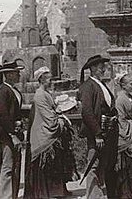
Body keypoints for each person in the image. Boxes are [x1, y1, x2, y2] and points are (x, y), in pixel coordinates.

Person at [25, 66, 75, 199]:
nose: (51, 82)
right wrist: (60, 120)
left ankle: (56, 190)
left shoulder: (45, 93)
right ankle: (47, 192)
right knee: (47, 164)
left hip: (47, 133)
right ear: (41, 79)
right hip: (44, 135)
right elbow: (49, 117)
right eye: (49, 79)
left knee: (54, 163)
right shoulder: (40, 95)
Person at [79, 55, 118, 198]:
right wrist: (97, 134)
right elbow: (87, 112)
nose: (104, 69)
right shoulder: (88, 86)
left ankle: (100, 194)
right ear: (94, 69)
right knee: (93, 165)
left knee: (103, 164)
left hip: (107, 132)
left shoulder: (101, 85)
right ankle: (93, 196)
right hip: (97, 134)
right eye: (101, 67)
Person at [0, 60, 25, 199]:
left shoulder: (14, 90)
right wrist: (12, 134)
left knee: (16, 165)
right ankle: (4, 196)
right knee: (8, 165)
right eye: (16, 72)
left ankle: (13, 195)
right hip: (6, 133)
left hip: (14, 131)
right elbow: (3, 115)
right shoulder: (2, 91)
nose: (19, 75)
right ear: (8, 75)